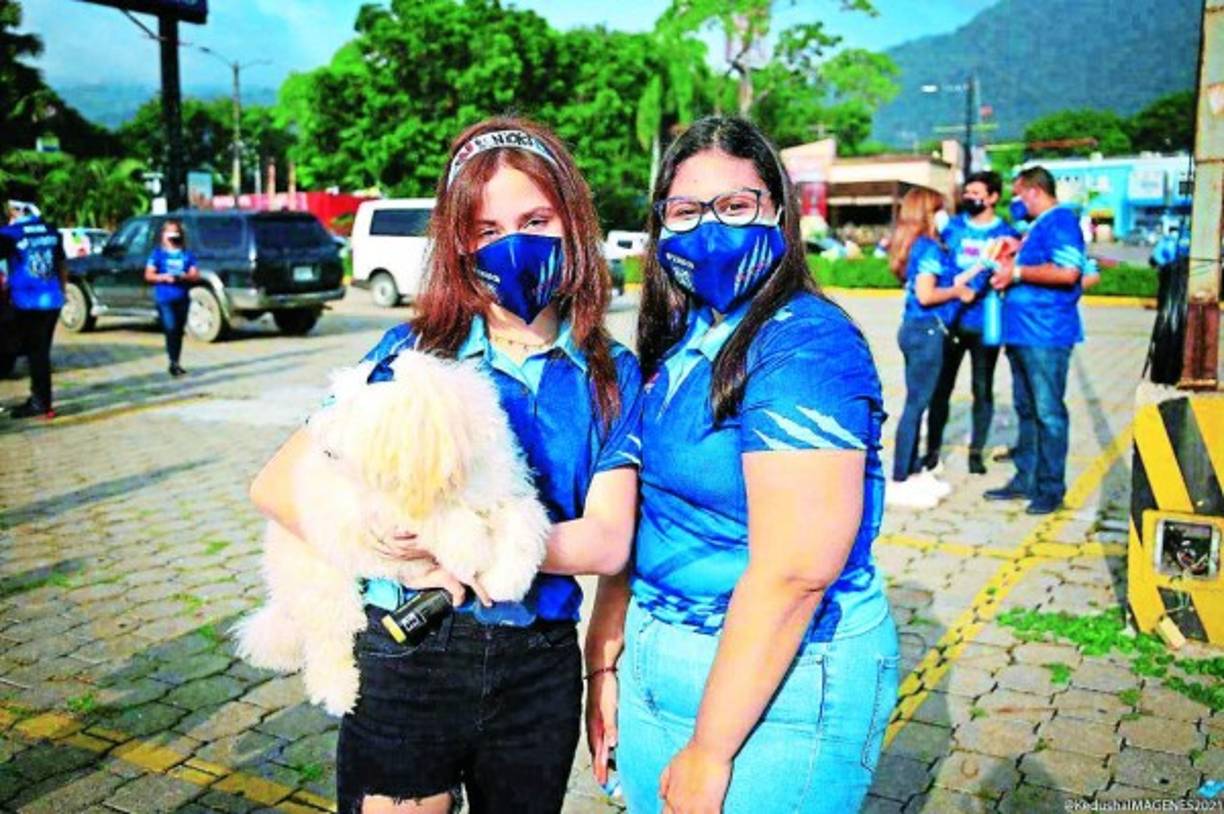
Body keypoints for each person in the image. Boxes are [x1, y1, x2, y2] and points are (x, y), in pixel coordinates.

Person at [250, 117, 642, 814]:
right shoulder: (410, 355)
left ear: (573, 223)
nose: (512, 243)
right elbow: (276, 486)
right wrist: (388, 543)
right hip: (412, 651)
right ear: (459, 242)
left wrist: (452, 540)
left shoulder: (612, 376)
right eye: (487, 229)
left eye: (536, 218)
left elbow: (608, 541)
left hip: (539, 667)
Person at [585, 116, 899, 814]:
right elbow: (643, 517)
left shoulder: (808, 345)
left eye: (736, 206)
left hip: (780, 680)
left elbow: (795, 572)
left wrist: (710, 750)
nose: (710, 230)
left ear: (779, 214)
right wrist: (602, 661)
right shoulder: (682, 335)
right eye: (686, 211)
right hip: (657, 660)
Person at [985, 165, 1086, 515]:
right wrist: (1017, 251)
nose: (1017, 202)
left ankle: (1050, 487)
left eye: (1018, 194)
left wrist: (1017, 272)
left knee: (1048, 412)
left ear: (1033, 191)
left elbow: (1070, 272)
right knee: (1027, 409)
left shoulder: (1061, 221)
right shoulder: (1038, 227)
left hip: (1045, 334)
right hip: (1024, 333)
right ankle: (1026, 476)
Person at [924, 171, 1019, 475]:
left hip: (986, 321)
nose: (970, 198)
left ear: (993, 197)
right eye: (967, 193)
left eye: (977, 193)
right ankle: (932, 450)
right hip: (951, 319)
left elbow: (1009, 273)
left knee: (983, 387)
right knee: (941, 388)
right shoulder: (952, 229)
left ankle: (976, 453)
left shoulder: (1006, 234)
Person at [885, 188, 974, 509]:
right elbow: (926, 295)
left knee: (917, 403)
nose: (945, 216)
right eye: (940, 209)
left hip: (915, 330)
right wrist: (956, 293)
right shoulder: (929, 248)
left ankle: (912, 471)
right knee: (916, 405)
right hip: (926, 332)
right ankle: (900, 478)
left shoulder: (916, 245)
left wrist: (969, 277)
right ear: (928, 212)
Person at [0, 200, 66, 419]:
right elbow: (61, 265)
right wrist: (62, 293)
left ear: (18, 210)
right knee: (40, 353)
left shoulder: (10, 233)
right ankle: (41, 399)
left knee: (31, 353)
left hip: (26, 303)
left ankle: (41, 403)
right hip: (52, 300)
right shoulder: (51, 230)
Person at [144, 219, 200, 377]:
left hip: (182, 297)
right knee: (171, 328)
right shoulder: (158, 254)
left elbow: (195, 274)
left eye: (176, 233)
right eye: (170, 233)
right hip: (165, 297)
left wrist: (185, 276)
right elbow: (148, 274)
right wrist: (163, 277)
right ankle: (172, 361)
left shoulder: (186, 254)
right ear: (163, 236)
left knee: (178, 330)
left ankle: (176, 361)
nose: (173, 237)